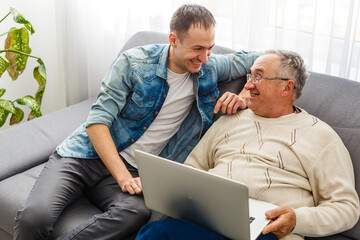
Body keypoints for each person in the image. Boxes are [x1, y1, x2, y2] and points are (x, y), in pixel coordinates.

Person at [14, 4, 261, 240]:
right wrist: (122, 178)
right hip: (85, 156)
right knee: (33, 219)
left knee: (136, 212)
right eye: (198, 49)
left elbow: (262, 59)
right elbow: (97, 122)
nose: (205, 57)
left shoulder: (210, 67)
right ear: (173, 40)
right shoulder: (134, 63)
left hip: (135, 170)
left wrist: (246, 91)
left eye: (210, 48)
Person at [135, 50, 360, 240]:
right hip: (210, 218)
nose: (248, 85)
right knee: (156, 233)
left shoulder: (320, 136)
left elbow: (346, 207)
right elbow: (193, 169)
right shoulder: (230, 120)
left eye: (258, 77)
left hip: (265, 231)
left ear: (286, 88)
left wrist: (296, 220)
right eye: (249, 75)